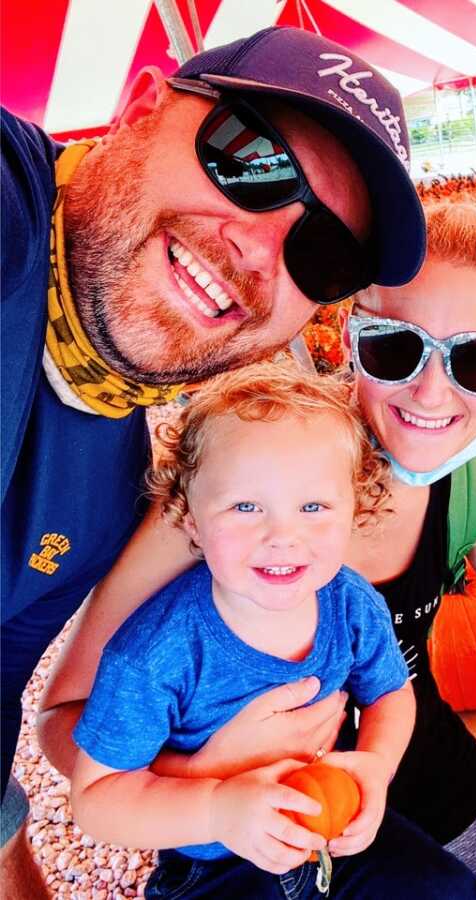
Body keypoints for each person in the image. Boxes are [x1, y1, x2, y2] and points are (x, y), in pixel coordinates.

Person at [42, 204, 476, 898]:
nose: (433, 391)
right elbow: (63, 724)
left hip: (419, 773)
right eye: (396, 348)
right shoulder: (236, 491)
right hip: (246, 833)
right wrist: (207, 778)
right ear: (352, 336)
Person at [1, 25, 427, 899]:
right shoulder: (13, 214)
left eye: (324, 254)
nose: (262, 246)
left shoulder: (108, 495)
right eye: (250, 156)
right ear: (141, 107)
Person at [70, 361, 476, 899]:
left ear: (354, 509)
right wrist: (217, 809)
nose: (282, 535)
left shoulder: (349, 602)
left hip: (335, 825)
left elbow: (391, 691)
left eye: (313, 507)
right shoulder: (155, 655)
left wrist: (375, 765)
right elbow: (98, 799)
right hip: (219, 858)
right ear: (189, 516)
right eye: (246, 506)